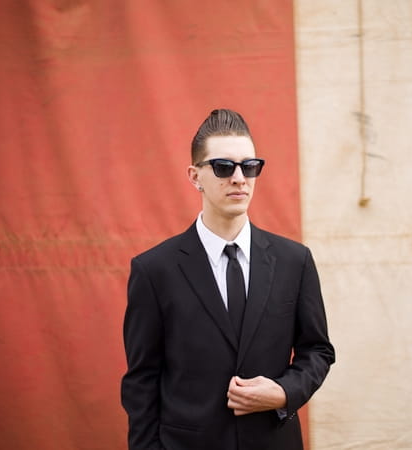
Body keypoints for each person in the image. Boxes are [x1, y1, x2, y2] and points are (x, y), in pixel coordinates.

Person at [121, 108, 335, 450]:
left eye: (249, 166)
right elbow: (141, 380)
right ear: (194, 176)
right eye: (223, 167)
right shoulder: (154, 270)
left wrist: (284, 392)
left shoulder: (295, 261)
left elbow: (317, 350)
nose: (239, 178)